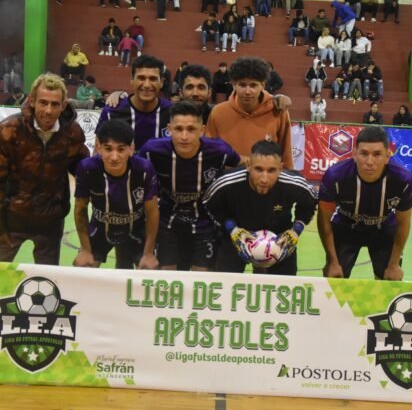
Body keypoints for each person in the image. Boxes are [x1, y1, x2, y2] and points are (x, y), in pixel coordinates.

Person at [139, 101, 241, 271]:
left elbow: (242, 166)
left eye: (191, 129)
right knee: (167, 276)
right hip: (166, 222)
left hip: (205, 222)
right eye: (178, 129)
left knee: (200, 280)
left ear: (202, 130)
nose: (184, 136)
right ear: (169, 129)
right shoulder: (152, 150)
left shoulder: (220, 150)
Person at [0, 73, 89, 265]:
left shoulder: (72, 133)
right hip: (11, 220)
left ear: (63, 105)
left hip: (50, 222)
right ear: (32, 101)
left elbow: (84, 172)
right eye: (43, 102)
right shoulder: (9, 130)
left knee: (48, 284)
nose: (48, 110)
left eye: (55, 104)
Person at [203, 140, 317, 275]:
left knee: (285, 286)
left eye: (271, 170)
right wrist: (232, 229)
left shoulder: (294, 184)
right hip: (236, 237)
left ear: (281, 168)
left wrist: (296, 230)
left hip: (280, 239)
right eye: (258, 169)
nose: (264, 178)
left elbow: (309, 204)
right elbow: (210, 205)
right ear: (248, 165)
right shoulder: (227, 183)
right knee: (225, 284)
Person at [317, 126, 412, 280]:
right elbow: (323, 220)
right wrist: (332, 261)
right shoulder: (334, 176)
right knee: (334, 276)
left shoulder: (403, 179)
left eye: (377, 154)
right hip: (346, 227)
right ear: (354, 154)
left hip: (384, 229)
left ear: (388, 155)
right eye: (364, 154)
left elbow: (403, 223)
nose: (370, 162)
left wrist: (394, 264)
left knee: (391, 278)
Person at [73, 119, 159, 269]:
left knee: (149, 268)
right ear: (98, 148)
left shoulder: (144, 169)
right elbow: (80, 209)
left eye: (121, 149)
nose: (114, 157)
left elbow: (152, 212)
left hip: (135, 229)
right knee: (83, 265)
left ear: (131, 149)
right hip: (100, 229)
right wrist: (86, 250)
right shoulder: (86, 168)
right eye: (108, 149)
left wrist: (149, 253)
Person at [205, 57, 293, 169]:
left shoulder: (278, 110)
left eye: (253, 85)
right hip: (228, 181)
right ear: (233, 84)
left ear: (263, 85)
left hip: (266, 182)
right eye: (242, 85)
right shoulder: (218, 112)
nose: (247, 91)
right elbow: (210, 152)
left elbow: (286, 154)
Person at [97, 54, 172, 151]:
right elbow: (98, 152)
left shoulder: (172, 112)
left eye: (153, 79)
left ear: (161, 82)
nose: (146, 85)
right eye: (141, 78)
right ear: (132, 80)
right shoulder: (111, 112)